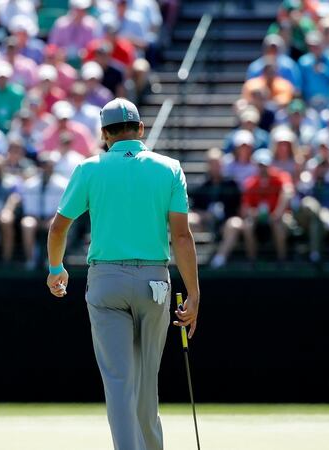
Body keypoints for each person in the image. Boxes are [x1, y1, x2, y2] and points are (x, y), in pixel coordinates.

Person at [46, 98, 199, 450]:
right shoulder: (170, 168)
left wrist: (56, 269)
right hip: (154, 283)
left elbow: (58, 228)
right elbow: (181, 236)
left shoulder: (89, 168)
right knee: (146, 382)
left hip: (107, 282)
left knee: (119, 382)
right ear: (140, 129)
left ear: (104, 134)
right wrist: (194, 293)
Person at [239, 149, 293, 265]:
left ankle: (282, 260)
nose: (263, 168)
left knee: (278, 225)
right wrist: (254, 213)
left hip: (278, 217)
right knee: (247, 226)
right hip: (258, 219)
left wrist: (277, 213)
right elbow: (245, 208)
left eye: (265, 165)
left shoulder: (280, 176)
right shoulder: (251, 182)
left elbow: (288, 192)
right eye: (260, 165)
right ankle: (252, 261)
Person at [20, 151, 68, 269]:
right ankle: (31, 259)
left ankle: (52, 260)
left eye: (49, 165)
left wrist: (50, 218)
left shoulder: (63, 184)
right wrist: (38, 220)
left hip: (53, 217)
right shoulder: (29, 184)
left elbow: (62, 209)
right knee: (27, 224)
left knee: (55, 224)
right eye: (44, 165)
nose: (47, 168)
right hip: (35, 217)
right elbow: (28, 209)